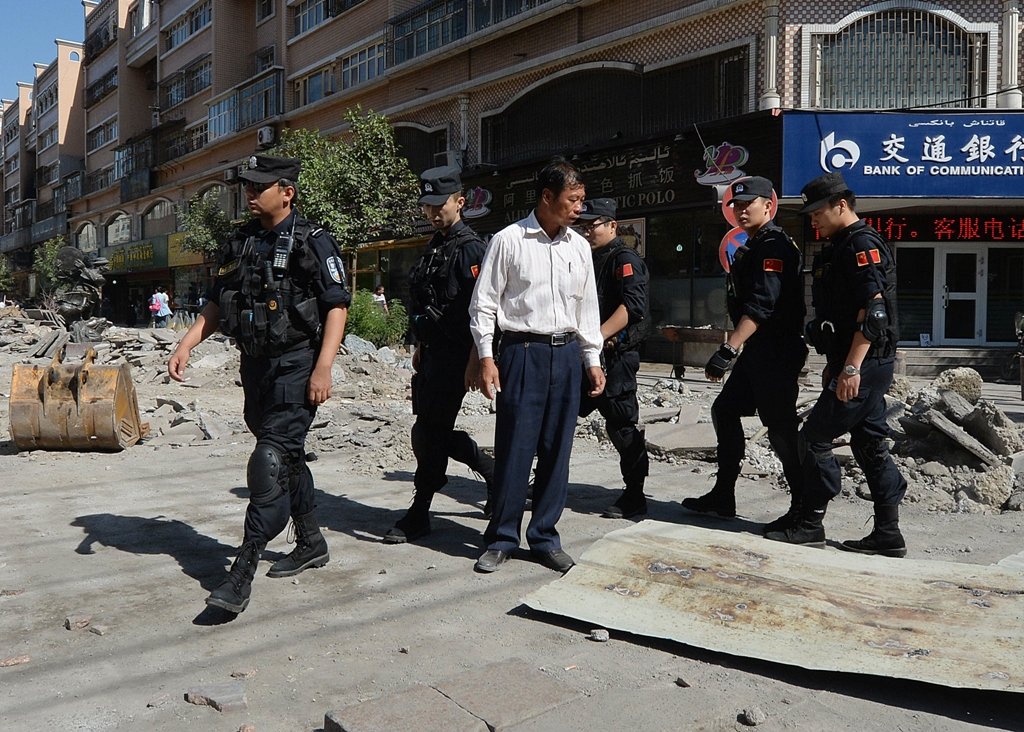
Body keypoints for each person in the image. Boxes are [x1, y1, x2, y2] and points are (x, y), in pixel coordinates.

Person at [168, 154, 351, 613]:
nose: (250, 193)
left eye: (260, 186)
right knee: (287, 457)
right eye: (247, 186)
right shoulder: (241, 243)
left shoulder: (314, 241)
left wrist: (324, 366)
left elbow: (336, 305)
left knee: (268, 461)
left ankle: (240, 573)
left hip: (297, 364)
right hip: (256, 368)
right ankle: (311, 542)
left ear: (286, 192)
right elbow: (216, 302)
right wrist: (187, 343)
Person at [469, 157, 605, 574]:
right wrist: (487, 357)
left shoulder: (579, 247)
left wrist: (592, 358)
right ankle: (502, 537)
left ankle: (544, 535)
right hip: (521, 353)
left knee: (556, 450)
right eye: (573, 199)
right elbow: (484, 304)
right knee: (515, 449)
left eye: (582, 199)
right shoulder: (509, 240)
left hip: (565, 356)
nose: (580, 207)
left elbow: (587, 309)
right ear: (547, 197)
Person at [766, 171, 907, 556]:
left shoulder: (860, 244)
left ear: (840, 205)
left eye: (817, 212)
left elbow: (874, 312)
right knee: (869, 443)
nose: (813, 219)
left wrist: (850, 368)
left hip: (865, 364)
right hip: (858, 362)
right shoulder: (841, 244)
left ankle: (810, 522)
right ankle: (888, 534)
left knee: (813, 438)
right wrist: (837, 361)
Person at [681, 177, 807, 532]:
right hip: (759, 352)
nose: (739, 210)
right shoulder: (753, 245)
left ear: (768, 205)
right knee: (725, 409)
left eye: (747, 204)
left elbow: (762, 305)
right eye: (735, 205)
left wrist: (729, 348)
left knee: (781, 430)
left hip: (776, 352)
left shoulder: (774, 246)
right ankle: (723, 495)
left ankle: (803, 510)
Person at [384, 165, 495, 544]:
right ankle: (491, 472)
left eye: (439, 204)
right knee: (431, 429)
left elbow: (483, 310)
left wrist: (476, 359)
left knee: (429, 432)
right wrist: (419, 346)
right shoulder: (436, 245)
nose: (432, 212)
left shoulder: (471, 250)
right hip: (433, 354)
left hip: (457, 356)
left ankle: (420, 512)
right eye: (426, 206)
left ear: (459, 202)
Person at [575, 197, 652, 519]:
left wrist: (596, 336)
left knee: (621, 425)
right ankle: (546, 483)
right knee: (559, 419)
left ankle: (635, 493)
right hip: (584, 355)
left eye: (593, 225)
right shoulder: (589, 259)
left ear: (611, 225)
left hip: (615, 356)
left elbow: (633, 306)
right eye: (583, 226)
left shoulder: (624, 258)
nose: (588, 231)